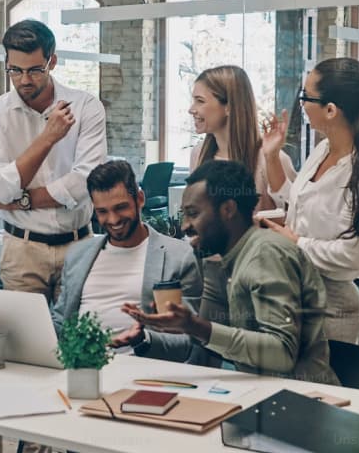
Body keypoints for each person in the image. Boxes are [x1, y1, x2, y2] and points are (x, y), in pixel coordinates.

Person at [121, 160, 338, 385]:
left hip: (302, 401)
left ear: (228, 210)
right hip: (260, 396)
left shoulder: (266, 253)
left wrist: (196, 326)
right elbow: (214, 339)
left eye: (193, 214)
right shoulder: (226, 261)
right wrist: (173, 328)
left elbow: (282, 353)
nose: (185, 226)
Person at [261, 57, 359, 343]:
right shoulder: (323, 150)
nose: (300, 104)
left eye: (306, 97)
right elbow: (294, 200)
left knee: (322, 388)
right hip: (296, 293)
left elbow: (351, 256)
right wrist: (270, 155)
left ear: (330, 110)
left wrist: (296, 243)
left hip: (332, 308)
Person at [0, 19, 107, 301]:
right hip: (22, 249)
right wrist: (49, 137)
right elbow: (0, 189)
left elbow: (86, 183)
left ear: (52, 61)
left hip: (78, 244)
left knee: (76, 340)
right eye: (15, 70)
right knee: (24, 341)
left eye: (35, 70)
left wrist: (22, 201)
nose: (24, 80)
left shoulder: (85, 107)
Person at [51, 160, 201, 340]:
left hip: (142, 362)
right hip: (82, 363)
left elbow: (190, 340)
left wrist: (142, 340)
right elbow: (60, 322)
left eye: (120, 207)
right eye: (102, 211)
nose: (113, 220)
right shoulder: (78, 255)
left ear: (140, 199)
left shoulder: (179, 257)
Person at [187, 65, 295, 212]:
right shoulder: (198, 154)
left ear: (229, 107)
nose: (191, 109)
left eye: (200, 101)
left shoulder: (271, 159)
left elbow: (293, 215)